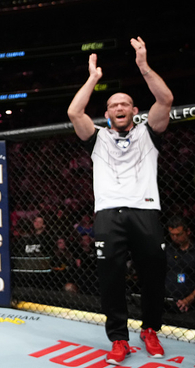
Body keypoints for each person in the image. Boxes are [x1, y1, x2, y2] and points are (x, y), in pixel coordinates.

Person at [67, 37, 174, 365]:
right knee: (111, 278)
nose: (119, 108)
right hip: (108, 214)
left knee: (153, 273)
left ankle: (150, 329)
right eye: (114, 105)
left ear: (134, 110)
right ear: (107, 113)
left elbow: (166, 99)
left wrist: (143, 66)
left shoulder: (148, 132)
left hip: (145, 210)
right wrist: (93, 78)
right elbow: (74, 111)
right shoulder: (97, 137)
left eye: (125, 104)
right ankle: (118, 339)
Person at [165, 216, 195, 313]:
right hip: (166, 302)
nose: (175, 238)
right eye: (172, 234)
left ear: (188, 231)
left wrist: (188, 300)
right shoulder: (167, 250)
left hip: (189, 306)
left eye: (178, 234)